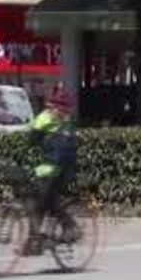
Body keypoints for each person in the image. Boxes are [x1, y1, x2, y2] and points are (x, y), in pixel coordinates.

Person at [25, 84, 79, 255]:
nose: (54, 109)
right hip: (58, 169)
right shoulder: (64, 121)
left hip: (56, 170)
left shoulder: (50, 120)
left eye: (56, 106)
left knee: (41, 200)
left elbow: (32, 140)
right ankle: (35, 241)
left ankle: (69, 227)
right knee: (41, 202)